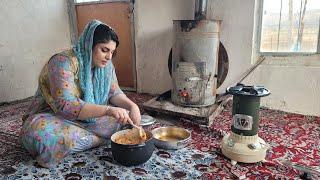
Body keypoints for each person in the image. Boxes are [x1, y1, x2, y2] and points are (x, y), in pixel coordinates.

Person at [19, 19, 141, 168]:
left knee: (125, 118)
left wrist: (133, 106)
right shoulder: (63, 62)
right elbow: (66, 106)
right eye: (104, 50)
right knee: (37, 133)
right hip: (56, 117)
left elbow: (113, 92)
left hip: (90, 117)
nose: (109, 57)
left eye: (112, 52)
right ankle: (100, 139)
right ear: (89, 44)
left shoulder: (106, 66)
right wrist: (108, 110)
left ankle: (86, 140)